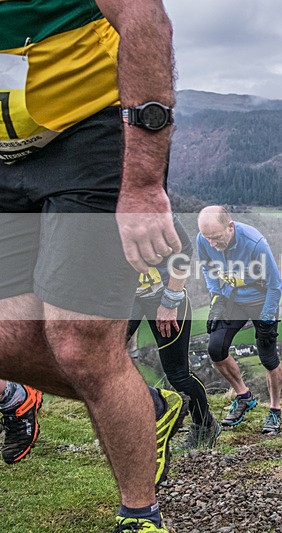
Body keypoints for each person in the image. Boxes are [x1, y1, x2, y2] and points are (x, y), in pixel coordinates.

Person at [1, 2, 184, 531]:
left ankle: (139, 515)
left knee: (81, 341)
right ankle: (147, 406)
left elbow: (145, 17)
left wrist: (145, 184)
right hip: (6, 153)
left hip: (94, 135)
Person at [128, 216, 221, 449]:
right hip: (127, 298)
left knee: (178, 374)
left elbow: (185, 250)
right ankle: (136, 421)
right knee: (105, 362)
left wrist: (170, 302)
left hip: (166, 295)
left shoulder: (150, 204)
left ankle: (205, 425)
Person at [197, 206, 282, 435]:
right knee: (215, 349)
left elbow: (275, 286)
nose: (212, 244)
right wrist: (216, 297)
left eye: (216, 238)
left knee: (268, 357)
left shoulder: (255, 244)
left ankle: (275, 409)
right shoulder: (204, 239)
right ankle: (244, 396)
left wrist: (266, 321)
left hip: (260, 300)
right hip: (231, 299)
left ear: (230, 227)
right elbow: (207, 268)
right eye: (208, 239)